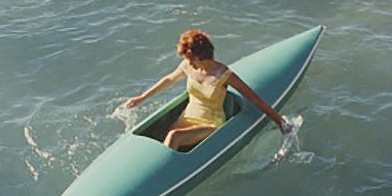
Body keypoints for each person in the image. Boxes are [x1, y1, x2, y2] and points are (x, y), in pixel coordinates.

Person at [125, 29, 291, 151]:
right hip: (187, 117)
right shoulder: (189, 66)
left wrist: (280, 122)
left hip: (211, 123)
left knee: (173, 137)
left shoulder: (223, 75)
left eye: (190, 59)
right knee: (164, 141)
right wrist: (141, 98)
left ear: (199, 57)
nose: (188, 63)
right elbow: (169, 79)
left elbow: (254, 98)